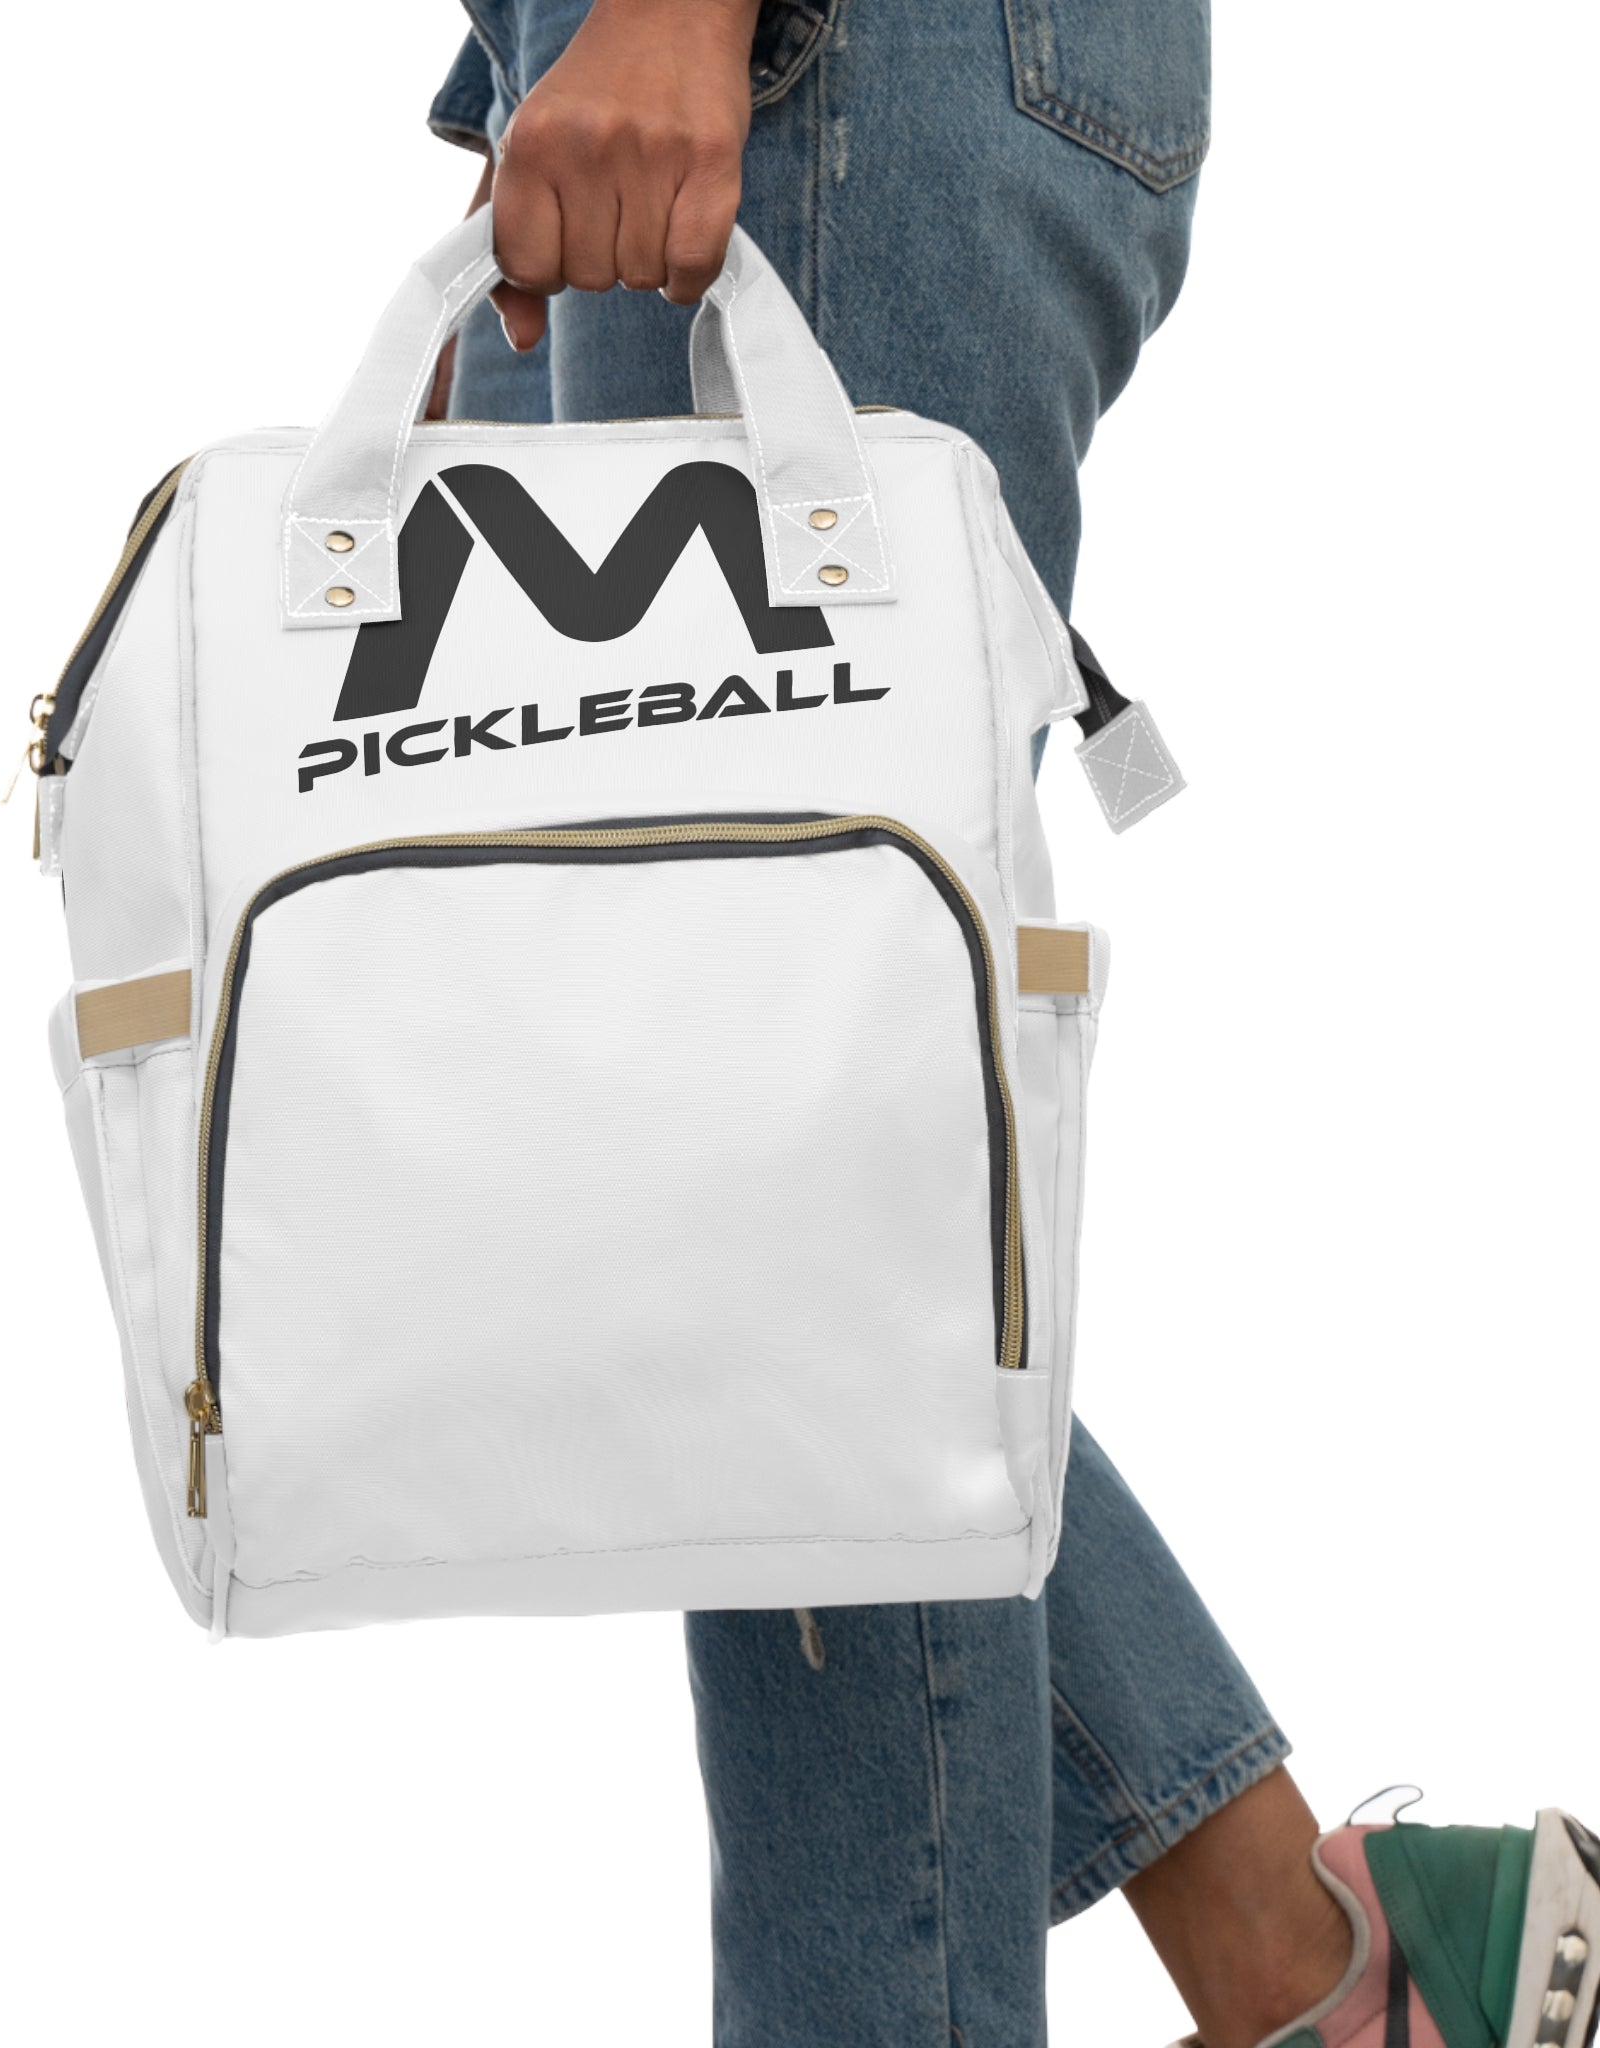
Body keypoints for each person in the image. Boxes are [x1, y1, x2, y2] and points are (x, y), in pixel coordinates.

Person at [419, 5, 1597, 2046]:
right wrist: (514, 144)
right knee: (752, 1158)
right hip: (766, 98)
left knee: (775, 1159)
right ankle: (1322, 1966)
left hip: (826, 80)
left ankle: (1308, 1965)